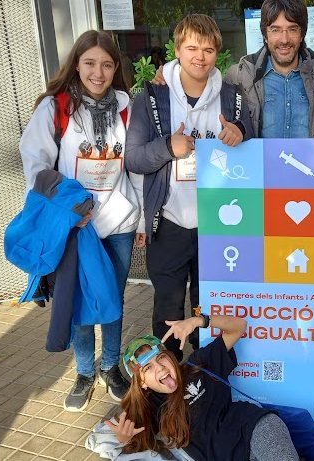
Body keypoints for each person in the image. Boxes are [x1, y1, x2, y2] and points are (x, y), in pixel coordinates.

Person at [19, 30, 142, 411]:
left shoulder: (127, 106)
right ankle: (85, 370)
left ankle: (111, 368)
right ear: (76, 64)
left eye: (107, 64)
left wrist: (139, 221)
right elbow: (35, 163)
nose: (98, 72)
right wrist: (67, 211)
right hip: (77, 228)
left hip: (118, 221)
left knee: (112, 300)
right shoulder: (55, 108)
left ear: (115, 68)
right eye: (90, 63)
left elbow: (134, 166)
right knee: (80, 299)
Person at [89, 315, 314, 461]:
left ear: (170, 357)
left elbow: (239, 327)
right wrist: (119, 441)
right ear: (141, 381)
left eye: (161, 360)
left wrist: (199, 322)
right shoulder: (148, 407)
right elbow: (108, 442)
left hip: (254, 429)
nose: (160, 370)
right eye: (148, 370)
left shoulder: (198, 366)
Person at [124, 14, 252, 360]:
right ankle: (166, 381)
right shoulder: (152, 98)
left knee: (207, 306)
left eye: (208, 49)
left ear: (217, 54)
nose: (200, 56)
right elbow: (133, 159)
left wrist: (241, 130)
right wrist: (168, 147)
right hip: (169, 223)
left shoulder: (232, 97)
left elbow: (251, 141)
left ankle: (202, 377)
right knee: (167, 305)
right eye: (192, 47)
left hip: (218, 227)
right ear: (177, 50)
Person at [224, 0, 314, 138]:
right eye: (275, 30)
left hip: (309, 159)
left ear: (302, 34)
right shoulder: (240, 75)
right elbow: (230, 127)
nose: (284, 40)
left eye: (292, 29)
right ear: (265, 35)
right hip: (259, 160)